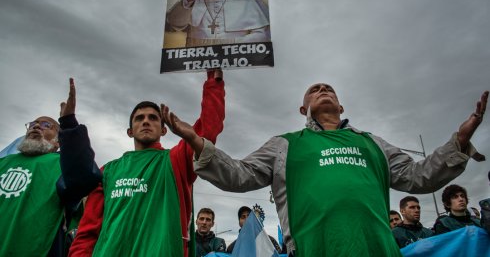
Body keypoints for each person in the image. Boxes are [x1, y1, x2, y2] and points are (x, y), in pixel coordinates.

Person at [163, 83, 488, 256]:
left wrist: (459, 141)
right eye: (314, 90)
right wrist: (196, 141)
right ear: (303, 109)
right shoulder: (285, 144)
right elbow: (238, 174)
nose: (323, 90)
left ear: (341, 105)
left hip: (379, 251)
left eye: (328, 88)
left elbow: (420, 177)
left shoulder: (371, 142)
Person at [69, 70, 225, 257]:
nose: (146, 122)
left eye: (153, 118)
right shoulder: (108, 171)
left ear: (163, 130)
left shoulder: (175, 161)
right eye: (139, 118)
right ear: (130, 131)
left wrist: (213, 82)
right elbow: (87, 231)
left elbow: (207, 130)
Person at [0, 78, 101, 256]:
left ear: (57, 142)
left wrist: (69, 122)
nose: (37, 126)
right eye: (33, 124)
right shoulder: (4, 163)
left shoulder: (61, 164)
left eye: (47, 125)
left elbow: (85, 177)